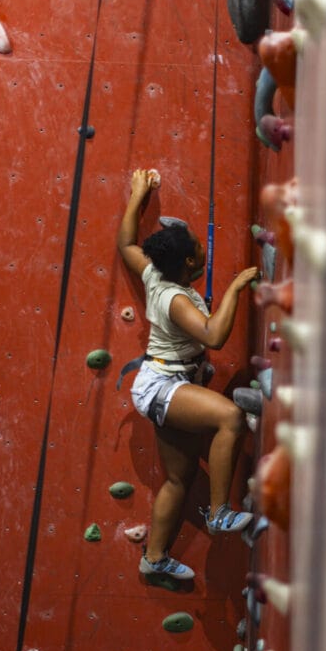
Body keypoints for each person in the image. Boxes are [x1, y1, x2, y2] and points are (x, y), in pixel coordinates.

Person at [117, 168, 259, 580]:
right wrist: (235, 288)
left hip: (161, 381)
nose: (203, 250)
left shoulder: (153, 272)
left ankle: (154, 558)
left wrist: (138, 195)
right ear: (190, 263)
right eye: (199, 247)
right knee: (230, 418)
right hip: (164, 385)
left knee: (179, 480)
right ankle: (218, 514)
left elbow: (126, 242)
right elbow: (213, 335)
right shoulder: (176, 298)